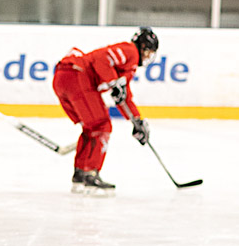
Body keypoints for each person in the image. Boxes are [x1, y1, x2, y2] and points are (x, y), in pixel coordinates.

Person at [52, 27, 159, 196]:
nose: (147, 57)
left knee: (91, 127)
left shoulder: (129, 68)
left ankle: (80, 173)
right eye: (148, 52)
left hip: (63, 78)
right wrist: (113, 82)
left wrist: (136, 120)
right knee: (102, 126)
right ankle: (91, 174)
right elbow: (102, 59)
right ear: (142, 47)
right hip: (77, 76)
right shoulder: (130, 51)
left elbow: (124, 97)